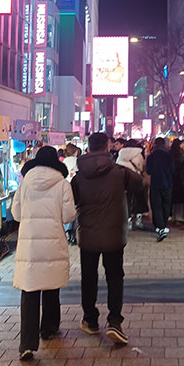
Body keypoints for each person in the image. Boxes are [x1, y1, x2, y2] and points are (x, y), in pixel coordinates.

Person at [71, 132, 143, 344]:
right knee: (115, 277)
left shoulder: (79, 176)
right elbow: (139, 183)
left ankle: (90, 320)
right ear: (107, 147)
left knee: (88, 277)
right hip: (113, 234)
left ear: (88, 148)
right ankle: (114, 321)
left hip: (88, 234)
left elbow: (73, 199)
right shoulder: (119, 172)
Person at [12, 146, 75, 360]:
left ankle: (27, 345)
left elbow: (16, 213)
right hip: (52, 241)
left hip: (29, 244)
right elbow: (68, 216)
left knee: (29, 292)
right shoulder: (63, 184)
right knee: (51, 285)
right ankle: (49, 328)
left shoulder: (25, 183)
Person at [146, 138, 175, 242]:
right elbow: (172, 170)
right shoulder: (169, 156)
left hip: (155, 183)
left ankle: (159, 226)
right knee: (166, 205)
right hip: (167, 183)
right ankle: (163, 225)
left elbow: (148, 171)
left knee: (156, 205)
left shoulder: (151, 156)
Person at [116, 139, 148, 229]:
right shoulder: (138, 154)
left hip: (123, 179)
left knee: (127, 200)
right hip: (135, 179)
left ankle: (128, 221)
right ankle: (138, 220)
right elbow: (140, 167)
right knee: (139, 199)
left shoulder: (121, 154)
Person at [63, 143, 80, 245]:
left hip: (65, 186)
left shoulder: (64, 162)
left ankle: (68, 231)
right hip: (75, 186)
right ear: (75, 151)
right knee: (75, 208)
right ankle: (73, 231)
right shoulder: (77, 161)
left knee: (66, 208)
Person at [170, 139, 184, 224]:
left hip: (172, 179)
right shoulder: (180, 155)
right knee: (181, 200)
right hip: (180, 180)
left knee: (174, 200)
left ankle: (174, 216)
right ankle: (179, 218)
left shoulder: (170, 153)